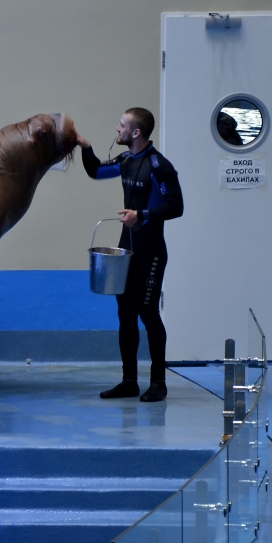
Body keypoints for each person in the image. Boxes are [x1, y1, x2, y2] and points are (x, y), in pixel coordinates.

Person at [77, 108, 183, 401]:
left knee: (148, 314)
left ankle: (158, 383)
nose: (117, 128)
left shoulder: (159, 166)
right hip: (127, 249)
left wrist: (142, 214)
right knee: (125, 314)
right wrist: (85, 147)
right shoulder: (126, 161)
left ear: (136, 133)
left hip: (150, 252)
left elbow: (176, 206)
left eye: (122, 125)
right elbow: (96, 171)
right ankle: (129, 381)